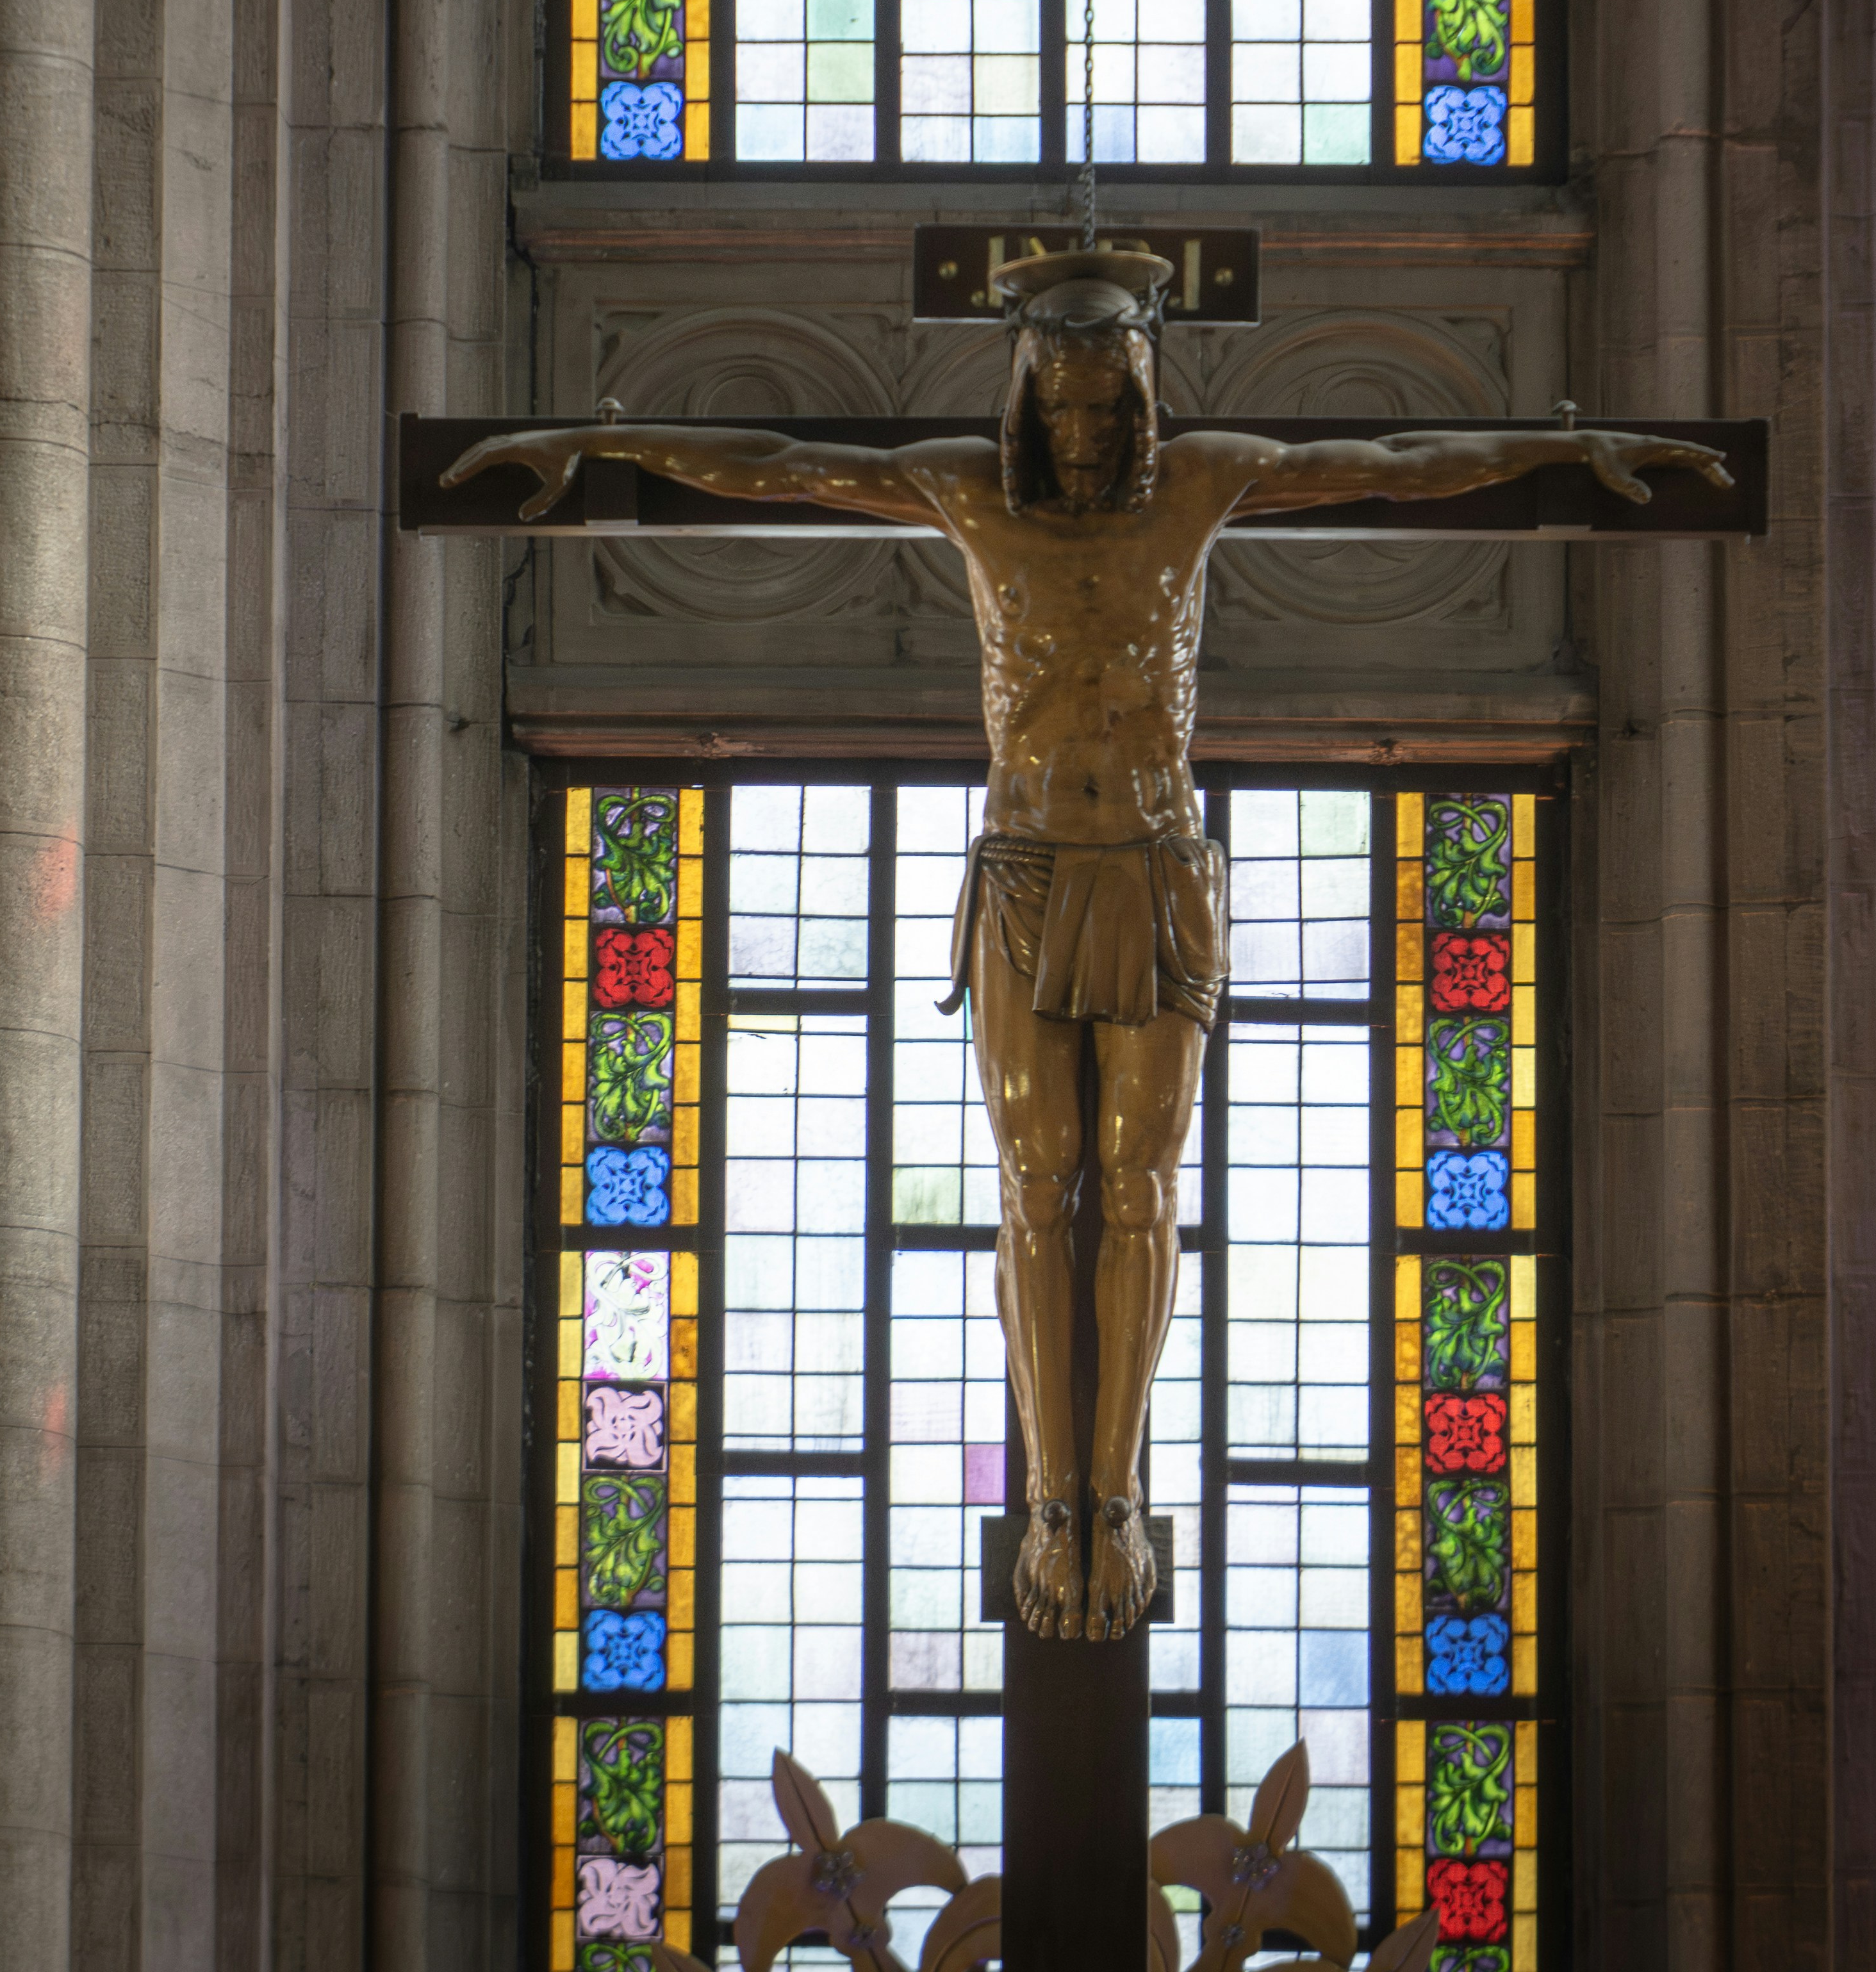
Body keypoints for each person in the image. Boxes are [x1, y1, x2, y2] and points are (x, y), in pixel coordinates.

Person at [447, 247, 1731, 1636]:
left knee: (1134, 1185)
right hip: (1024, 871)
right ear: (1022, 397)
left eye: (1101, 408)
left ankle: (1112, 1491)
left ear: (1139, 396)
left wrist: (1570, 445)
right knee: (1031, 1177)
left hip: (1161, 868)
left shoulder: (1200, 483)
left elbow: (1398, 457)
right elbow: (782, 461)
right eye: (1054, 409)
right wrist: (595, 441)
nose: (1075, 437)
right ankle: (1052, 1494)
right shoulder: (964, 489)